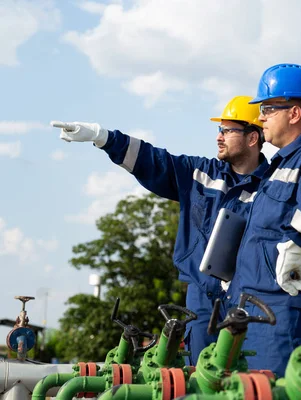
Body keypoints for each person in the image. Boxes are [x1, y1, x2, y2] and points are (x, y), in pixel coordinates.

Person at [50, 96, 269, 366]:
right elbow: (153, 161)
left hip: (249, 298)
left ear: (252, 138)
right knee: (199, 375)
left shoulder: (273, 187)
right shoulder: (200, 173)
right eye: (219, 130)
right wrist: (102, 137)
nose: (219, 137)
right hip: (201, 298)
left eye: (227, 130)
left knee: (248, 375)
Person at [224, 64, 301, 377]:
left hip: (285, 316)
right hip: (253, 311)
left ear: (294, 113)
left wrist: (295, 247)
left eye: (267, 108)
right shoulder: (277, 168)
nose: (261, 116)